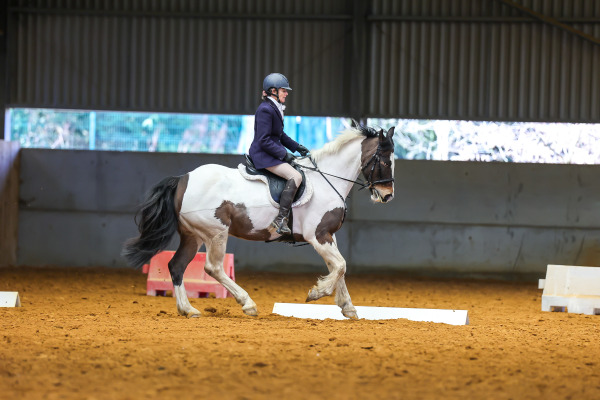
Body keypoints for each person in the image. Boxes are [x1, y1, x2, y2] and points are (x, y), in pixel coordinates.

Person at [249, 73, 309, 235]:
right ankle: (281, 219)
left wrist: (297, 147)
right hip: (263, 155)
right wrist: (284, 155)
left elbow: (280, 135)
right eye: (284, 90)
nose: (286, 93)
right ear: (273, 91)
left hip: (270, 152)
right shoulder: (265, 110)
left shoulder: (274, 108)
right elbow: (264, 140)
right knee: (296, 177)